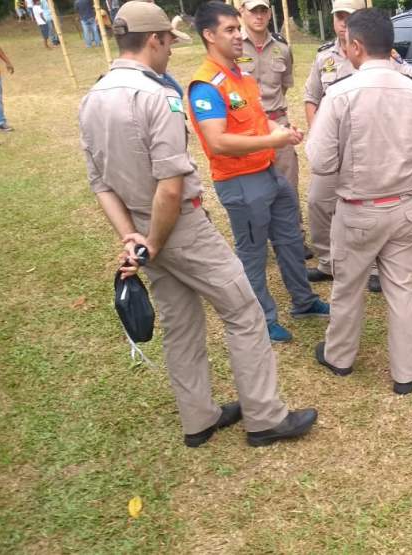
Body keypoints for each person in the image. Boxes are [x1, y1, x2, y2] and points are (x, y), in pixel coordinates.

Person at [78, 1, 317, 447]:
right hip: (177, 226)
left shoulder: (92, 97)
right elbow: (170, 187)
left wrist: (133, 238)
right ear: (154, 40)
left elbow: (100, 184)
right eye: (168, 42)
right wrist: (153, 238)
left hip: (141, 228)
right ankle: (265, 417)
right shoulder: (157, 96)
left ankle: (199, 418)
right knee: (244, 311)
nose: (170, 51)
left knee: (180, 322)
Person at [306, 8, 412, 394]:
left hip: (358, 210)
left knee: (348, 287)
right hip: (405, 209)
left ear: (356, 47)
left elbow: (320, 161)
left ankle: (340, 356)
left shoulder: (341, 94)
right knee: (401, 288)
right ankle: (407, 370)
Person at [187, 1, 328, 343]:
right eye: (230, 30)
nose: (239, 36)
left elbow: (258, 116)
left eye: (238, 28)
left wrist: (281, 131)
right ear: (209, 35)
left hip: (267, 171)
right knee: (252, 252)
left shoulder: (242, 76)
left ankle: (304, 300)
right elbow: (218, 141)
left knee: (291, 239)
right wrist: (271, 138)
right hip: (239, 181)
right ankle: (262, 318)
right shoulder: (206, 85)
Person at [302, 0, 412, 293]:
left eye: (348, 16)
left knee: (371, 211)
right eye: (338, 17)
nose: (342, 22)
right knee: (319, 201)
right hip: (334, 148)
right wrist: (320, 133)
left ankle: (379, 267)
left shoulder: (388, 58)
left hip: (374, 151)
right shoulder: (324, 58)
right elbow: (311, 97)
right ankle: (329, 261)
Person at [236, 0, 310, 258]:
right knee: (249, 188)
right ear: (241, 11)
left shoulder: (281, 48)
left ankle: (295, 239)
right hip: (245, 128)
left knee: (287, 183)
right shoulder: (233, 46)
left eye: (263, 10)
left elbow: (285, 85)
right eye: (252, 10)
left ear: (269, 12)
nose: (258, 15)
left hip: (277, 124)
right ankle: (258, 242)